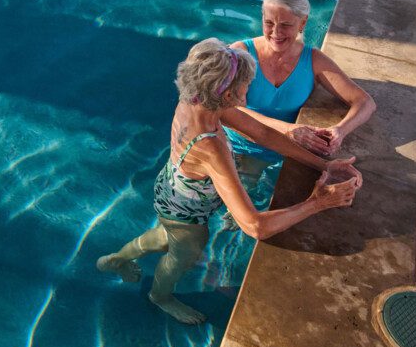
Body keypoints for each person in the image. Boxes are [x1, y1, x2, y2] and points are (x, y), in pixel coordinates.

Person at [97, 39, 362, 324]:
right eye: (247, 83)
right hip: (187, 210)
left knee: (166, 237)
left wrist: (323, 164)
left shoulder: (199, 99)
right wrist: (319, 202)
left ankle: (117, 259)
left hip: (171, 187)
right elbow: (255, 226)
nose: (250, 86)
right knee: (185, 252)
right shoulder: (210, 147)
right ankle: (159, 296)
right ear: (226, 95)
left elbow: (262, 133)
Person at [223, 0, 377, 190]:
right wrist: (288, 130)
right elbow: (226, 109)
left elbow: (365, 102)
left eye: (285, 25)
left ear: (302, 23)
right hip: (239, 147)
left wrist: (340, 130)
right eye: (269, 23)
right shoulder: (240, 54)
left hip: (288, 152)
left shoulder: (313, 61)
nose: (276, 33)